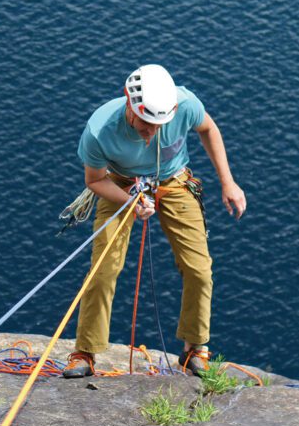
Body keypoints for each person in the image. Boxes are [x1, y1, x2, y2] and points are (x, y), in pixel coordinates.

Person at [62, 64, 246, 378]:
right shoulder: (99, 129)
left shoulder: (185, 104)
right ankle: (85, 351)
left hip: (174, 181)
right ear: (129, 105)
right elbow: (94, 181)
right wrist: (130, 200)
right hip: (118, 184)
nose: (152, 133)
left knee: (199, 268)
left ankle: (194, 350)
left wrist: (228, 182)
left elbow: (209, 129)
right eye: (145, 124)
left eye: (159, 125)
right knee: (104, 269)